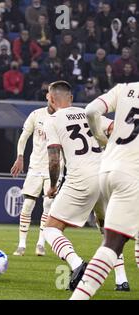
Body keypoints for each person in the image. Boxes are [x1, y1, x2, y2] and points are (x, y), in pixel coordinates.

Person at [42, 80, 128, 292]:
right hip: (106, 174)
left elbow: (54, 160)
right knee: (107, 227)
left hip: (81, 177)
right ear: (70, 98)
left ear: (51, 99)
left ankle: (77, 264)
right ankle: (121, 280)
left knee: (51, 229)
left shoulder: (52, 120)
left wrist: (52, 186)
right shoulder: (89, 113)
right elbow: (115, 129)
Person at [70, 82, 139, 299]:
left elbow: (90, 110)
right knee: (113, 245)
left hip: (108, 170)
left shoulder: (125, 88)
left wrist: (99, 135)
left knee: (114, 241)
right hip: (133, 174)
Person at [10, 101, 57, 257]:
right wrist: (20, 157)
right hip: (35, 167)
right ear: (48, 97)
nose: (54, 100)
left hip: (54, 168)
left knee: (48, 204)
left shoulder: (64, 117)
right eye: (51, 97)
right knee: (28, 204)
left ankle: (40, 244)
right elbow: (23, 137)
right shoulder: (36, 114)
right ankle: (22, 245)